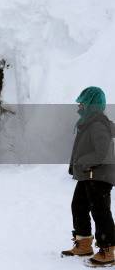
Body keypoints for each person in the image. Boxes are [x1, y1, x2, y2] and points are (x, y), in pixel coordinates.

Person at [62, 87, 115, 265]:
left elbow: (102, 154)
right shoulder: (88, 123)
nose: (79, 106)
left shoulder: (98, 124)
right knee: (78, 206)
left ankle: (108, 250)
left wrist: (82, 161)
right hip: (89, 174)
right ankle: (84, 244)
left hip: (98, 175)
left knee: (100, 212)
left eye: (82, 103)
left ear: (92, 104)